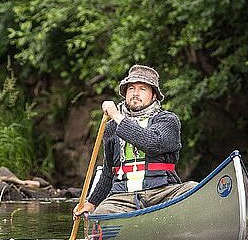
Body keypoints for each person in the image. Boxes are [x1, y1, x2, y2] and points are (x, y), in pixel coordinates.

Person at [73, 65, 196, 218]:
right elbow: (108, 172)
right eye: (131, 88)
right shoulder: (111, 127)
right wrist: (91, 203)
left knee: (193, 188)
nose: (135, 93)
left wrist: (116, 116)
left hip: (162, 192)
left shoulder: (167, 120)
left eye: (142, 89)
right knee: (103, 213)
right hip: (122, 197)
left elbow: (151, 143)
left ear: (154, 96)